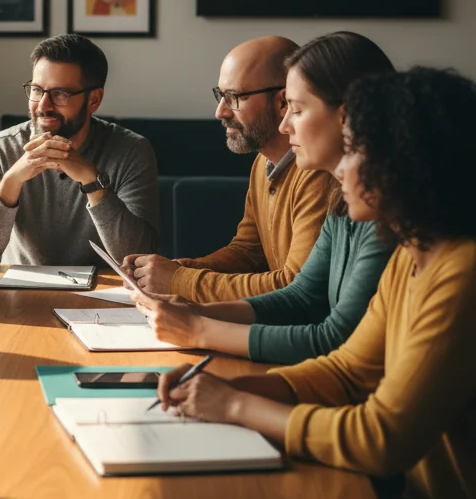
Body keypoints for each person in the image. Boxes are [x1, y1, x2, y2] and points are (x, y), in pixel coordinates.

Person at [156, 67, 476, 499]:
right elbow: (350, 369)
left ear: (401, 164)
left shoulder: (462, 272)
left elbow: (383, 439)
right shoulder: (412, 251)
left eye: (352, 152)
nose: (341, 171)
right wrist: (235, 386)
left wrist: (234, 407)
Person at [136, 32, 394, 363]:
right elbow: (301, 295)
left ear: (347, 119)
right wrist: (191, 303)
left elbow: (335, 339)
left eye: (296, 109)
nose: (286, 125)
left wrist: (196, 322)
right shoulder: (342, 197)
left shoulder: (384, 214)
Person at [123, 35, 330, 301]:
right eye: (220, 96)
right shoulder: (263, 162)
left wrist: (177, 279)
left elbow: (294, 284)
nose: (220, 112)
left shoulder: (318, 172)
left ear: (282, 101)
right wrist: (177, 268)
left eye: (233, 97)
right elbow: (247, 252)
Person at [0, 34, 159, 268]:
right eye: (36, 90)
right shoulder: (0, 148)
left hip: (103, 295)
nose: (43, 105)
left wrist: (92, 182)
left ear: (94, 100)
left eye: (60, 94)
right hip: (16, 294)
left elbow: (139, 257)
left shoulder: (131, 151)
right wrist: (13, 179)